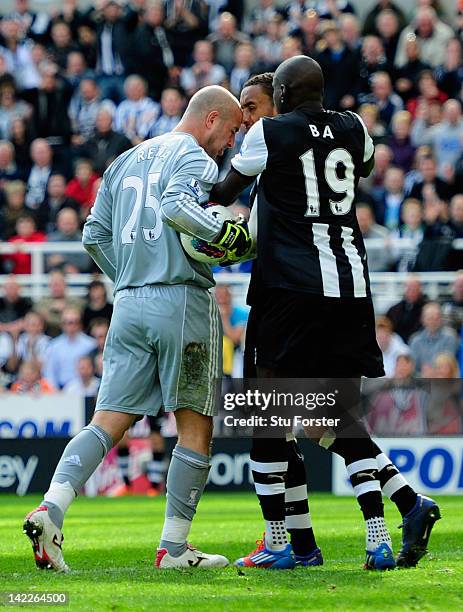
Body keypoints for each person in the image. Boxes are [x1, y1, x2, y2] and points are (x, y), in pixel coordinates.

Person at [211, 56, 440, 570]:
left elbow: (224, 192)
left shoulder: (270, 134)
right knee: (331, 418)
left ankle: (280, 544)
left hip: (290, 289)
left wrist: (190, 208)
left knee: (266, 417)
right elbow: (360, 166)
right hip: (351, 290)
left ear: (283, 97)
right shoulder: (355, 127)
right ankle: (398, 514)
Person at [23, 85, 245, 572]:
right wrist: (231, 238)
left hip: (127, 303)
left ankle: (50, 508)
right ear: (211, 119)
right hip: (182, 298)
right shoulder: (195, 157)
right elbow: (176, 207)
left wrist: (125, 274)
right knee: (195, 422)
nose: (230, 144)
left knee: (106, 422)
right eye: (231, 132)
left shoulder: (125, 160)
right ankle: (174, 548)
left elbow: (92, 235)